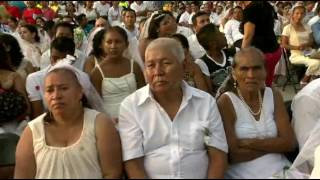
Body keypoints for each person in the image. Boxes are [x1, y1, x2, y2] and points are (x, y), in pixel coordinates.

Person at [119, 38, 228, 179]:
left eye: (166, 63)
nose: (158, 72)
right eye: (150, 65)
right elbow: (133, 162)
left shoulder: (205, 103)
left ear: (183, 66)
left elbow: (218, 154)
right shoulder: (131, 106)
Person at [14, 60, 122, 178]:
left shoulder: (100, 124)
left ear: (80, 92)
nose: (56, 96)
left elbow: (112, 173)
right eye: (50, 90)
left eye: (64, 88)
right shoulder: (32, 131)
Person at [217, 47, 296, 178]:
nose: (251, 75)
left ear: (265, 71)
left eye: (257, 68)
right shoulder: (226, 102)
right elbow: (234, 155)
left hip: (282, 169)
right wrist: (275, 145)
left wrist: (247, 143)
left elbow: (289, 143)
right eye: (244, 69)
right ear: (234, 73)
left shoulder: (274, 95)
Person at [90, 27, 145, 120]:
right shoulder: (97, 73)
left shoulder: (134, 66)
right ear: (102, 45)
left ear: (126, 44)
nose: (113, 46)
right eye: (109, 42)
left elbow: (143, 94)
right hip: (111, 121)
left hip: (136, 117)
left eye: (118, 42)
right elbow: (96, 104)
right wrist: (107, 120)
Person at [26, 37, 76, 119]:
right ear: (50, 57)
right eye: (55, 58)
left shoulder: (81, 78)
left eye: (64, 59)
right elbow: (38, 116)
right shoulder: (34, 79)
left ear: (73, 59)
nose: (58, 63)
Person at [241, 1, 282, 87]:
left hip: (262, 54)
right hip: (274, 51)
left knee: (258, 87)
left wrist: (241, 56)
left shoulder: (251, 9)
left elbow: (248, 35)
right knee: (267, 84)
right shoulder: (265, 5)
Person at [282, 5, 320, 86]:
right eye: (297, 13)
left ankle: (313, 82)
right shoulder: (287, 28)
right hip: (296, 55)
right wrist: (297, 47)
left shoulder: (307, 26)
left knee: (317, 61)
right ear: (292, 14)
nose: (299, 15)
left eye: (302, 13)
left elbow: (312, 41)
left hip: (308, 52)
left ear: (304, 15)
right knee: (316, 63)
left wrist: (307, 44)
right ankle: (304, 81)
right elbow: (283, 45)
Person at [195, 23, 236, 96]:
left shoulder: (234, 52)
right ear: (213, 44)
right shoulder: (202, 63)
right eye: (220, 33)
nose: (223, 34)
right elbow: (210, 93)